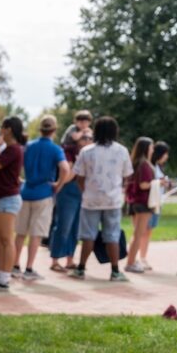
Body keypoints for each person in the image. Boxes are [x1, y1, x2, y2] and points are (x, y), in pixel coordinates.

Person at [69, 116, 132, 282]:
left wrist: (86, 191)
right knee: (112, 235)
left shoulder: (87, 151)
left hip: (90, 199)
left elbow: (79, 177)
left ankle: (81, 268)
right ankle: (115, 270)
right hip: (112, 200)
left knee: (88, 235)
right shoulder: (122, 151)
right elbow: (126, 176)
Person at [16, 114, 69, 281]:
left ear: (40, 129)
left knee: (20, 232)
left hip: (26, 192)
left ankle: (15, 265)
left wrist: (20, 180)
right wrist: (58, 185)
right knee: (36, 234)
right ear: (54, 130)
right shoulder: (55, 149)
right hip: (43, 193)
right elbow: (65, 168)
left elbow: (17, 163)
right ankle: (29, 268)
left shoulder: (29, 146)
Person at [0, 116, 26, 292]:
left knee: (6, 240)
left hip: (6, 200)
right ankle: (0, 275)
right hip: (0, 199)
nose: (0, 130)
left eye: (2, 127)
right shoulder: (10, 149)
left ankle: (4, 279)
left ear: (8, 129)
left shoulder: (13, 149)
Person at [48, 130, 91, 272]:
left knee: (75, 228)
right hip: (68, 190)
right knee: (63, 226)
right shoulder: (68, 152)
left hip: (82, 192)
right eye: (84, 138)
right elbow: (66, 176)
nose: (88, 141)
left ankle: (70, 259)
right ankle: (55, 260)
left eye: (90, 138)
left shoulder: (89, 154)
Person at [124, 137, 155, 273]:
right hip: (143, 202)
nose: (153, 149)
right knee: (139, 234)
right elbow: (143, 184)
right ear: (146, 148)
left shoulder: (136, 163)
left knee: (136, 233)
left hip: (135, 201)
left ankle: (132, 259)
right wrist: (158, 183)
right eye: (151, 147)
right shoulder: (144, 164)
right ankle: (130, 262)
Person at [141, 140, 170, 269]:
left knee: (148, 231)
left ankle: (143, 257)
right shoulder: (148, 166)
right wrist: (159, 182)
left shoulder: (157, 167)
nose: (166, 157)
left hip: (156, 202)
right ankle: (139, 257)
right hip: (148, 202)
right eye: (165, 153)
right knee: (142, 231)